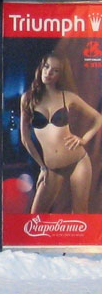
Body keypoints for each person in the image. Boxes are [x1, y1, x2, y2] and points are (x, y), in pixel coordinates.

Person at [19, 53, 102, 214]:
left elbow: (98, 118)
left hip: (78, 161)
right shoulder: (28, 98)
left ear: (60, 75)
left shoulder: (68, 97)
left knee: (80, 213)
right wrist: (42, 167)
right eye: (46, 67)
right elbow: (25, 138)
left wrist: (84, 139)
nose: (48, 73)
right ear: (41, 68)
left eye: (55, 70)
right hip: (51, 168)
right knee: (35, 216)